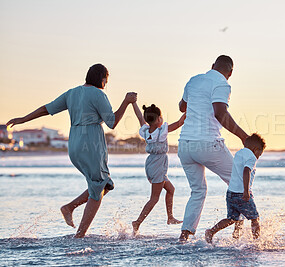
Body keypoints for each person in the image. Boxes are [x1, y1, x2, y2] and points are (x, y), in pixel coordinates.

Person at [6, 64, 137, 238]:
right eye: (107, 78)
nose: (107, 82)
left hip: (74, 144)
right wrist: (126, 102)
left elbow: (47, 108)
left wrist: (23, 119)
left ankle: (69, 208)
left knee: (103, 184)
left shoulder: (72, 93)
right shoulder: (98, 94)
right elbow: (112, 122)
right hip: (90, 143)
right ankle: (79, 235)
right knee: (99, 185)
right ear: (101, 78)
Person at [177, 55, 249, 241]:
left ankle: (185, 235)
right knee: (239, 183)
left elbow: (182, 106)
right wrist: (244, 137)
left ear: (212, 66)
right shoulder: (223, 84)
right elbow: (220, 112)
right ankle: (237, 230)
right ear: (230, 73)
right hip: (208, 144)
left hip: (185, 145)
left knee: (198, 191)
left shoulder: (194, 80)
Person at [131, 102, 186, 234]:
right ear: (158, 119)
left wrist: (134, 103)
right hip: (158, 165)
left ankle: (170, 217)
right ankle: (137, 222)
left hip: (151, 163)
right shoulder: (161, 131)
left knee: (171, 189)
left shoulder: (146, 131)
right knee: (154, 198)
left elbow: (139, 117)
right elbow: (179, 123)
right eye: (161, 117)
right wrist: (190, 109)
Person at [205, 133, 266, 243]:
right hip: (242, 193)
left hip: (231, 193)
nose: (258, 157)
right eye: (259, 154)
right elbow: (246, 171)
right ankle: (257, 242)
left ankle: (211, 232)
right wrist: (246, 191)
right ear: (255, 149)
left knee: (232, 219)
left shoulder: (238, 153)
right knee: (254, 218)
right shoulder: (251, 157)